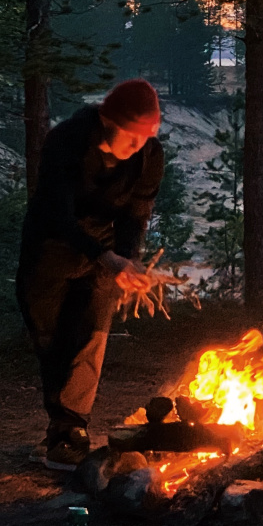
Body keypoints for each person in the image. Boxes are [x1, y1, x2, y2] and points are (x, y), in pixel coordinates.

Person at [17, 79, 165, 470]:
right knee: (52, 340)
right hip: (51, 247)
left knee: (90, 335)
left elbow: (136, 213)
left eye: (146, 137)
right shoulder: (67, 141)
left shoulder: (149, 155)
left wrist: (126, 260)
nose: (138, 145)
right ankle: (60, 426)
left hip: (105, 251)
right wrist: (106, 257)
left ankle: (71, 432)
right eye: (131, 136)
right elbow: (56, 214)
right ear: (108, 121)